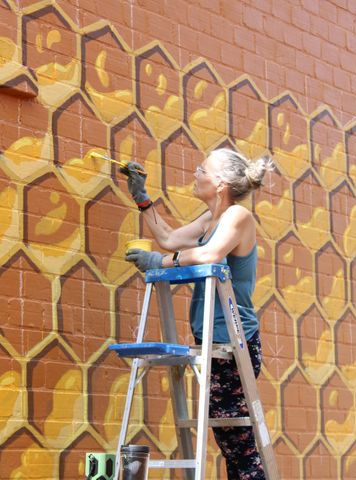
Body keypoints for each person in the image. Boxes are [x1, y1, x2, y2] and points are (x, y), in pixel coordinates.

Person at [123, 148, 273, 480]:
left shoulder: (238, 217)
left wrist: (160, 263)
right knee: (229, 439)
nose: (195, 173)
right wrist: (143, 199)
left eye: (201, 169)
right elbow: (169, 239)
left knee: (238, 443)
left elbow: (210, 254)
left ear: (220, 183)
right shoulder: (211, 219)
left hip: (235, 342)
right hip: (210, 338)